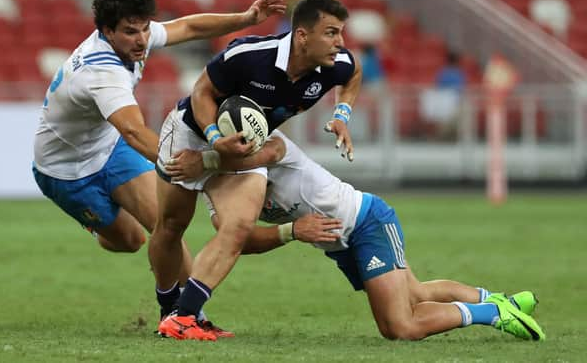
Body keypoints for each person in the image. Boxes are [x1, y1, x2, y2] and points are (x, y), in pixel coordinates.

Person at [171, 130, 546, 341]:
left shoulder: (268, 144)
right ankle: (503, 300)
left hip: (366, 221)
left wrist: (206, 160)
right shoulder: (217, 189)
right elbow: (238, 241)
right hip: (338, 243)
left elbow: (261, 154)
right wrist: (291, 232)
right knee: (414, 295)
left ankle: (493, 313)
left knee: (399, 326)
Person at [151, 0, 363, 340]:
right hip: (192, 134)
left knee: (238, 226)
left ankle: (183, 317)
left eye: (341, 33)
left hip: (246, 149)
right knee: (172, 226)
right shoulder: (248, 56)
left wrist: (342, 115)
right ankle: (167, 305)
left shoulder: (334, 63)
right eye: (330, 33)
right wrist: (214, 135)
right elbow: (202, 92)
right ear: (302, 36)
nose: (339, 43)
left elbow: (354, 74)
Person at [32, 0, 286, 258]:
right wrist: (199, 166)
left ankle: (185, 304)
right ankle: (100, 226)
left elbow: (189, 27)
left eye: (144, 29)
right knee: (129, 241)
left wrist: (245, 18)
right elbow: (134, 133)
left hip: (110, 149)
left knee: (167, 228)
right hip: (65, 171)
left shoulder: (133, 36)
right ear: (107, 31)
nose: (142, 40)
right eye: (131, 32)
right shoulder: (103, 73)